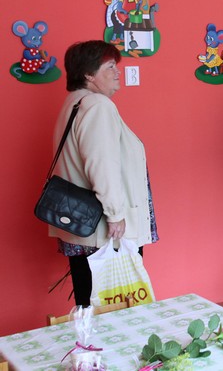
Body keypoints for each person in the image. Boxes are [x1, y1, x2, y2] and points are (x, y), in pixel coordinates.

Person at [49, 40, 158, 306]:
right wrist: (116, 215)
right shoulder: (97, 106)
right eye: (110, 66)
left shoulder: (74, 103)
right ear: (89, 74)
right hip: (103, 229)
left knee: (89, 300)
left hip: (81, 224)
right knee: (116, 305)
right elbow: (102, 165)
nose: (117, 72)